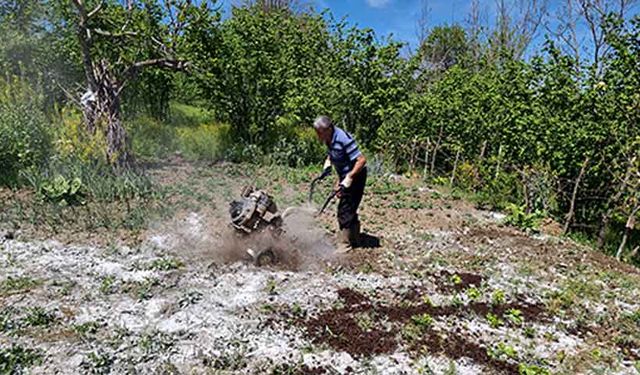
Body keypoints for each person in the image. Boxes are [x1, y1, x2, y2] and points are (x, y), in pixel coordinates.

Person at [313, 115, 367, 253]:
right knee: (349, 207)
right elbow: (335, 155)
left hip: (356, 175)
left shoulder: (343, 138)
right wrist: (328, 164)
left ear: (328, 129)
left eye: (319, 133)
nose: (318, 135)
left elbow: (361, 160)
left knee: (345, 209)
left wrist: (349, 178)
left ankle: (345, 245)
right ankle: (355, 239)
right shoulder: (329, 139)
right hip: (345, 174)